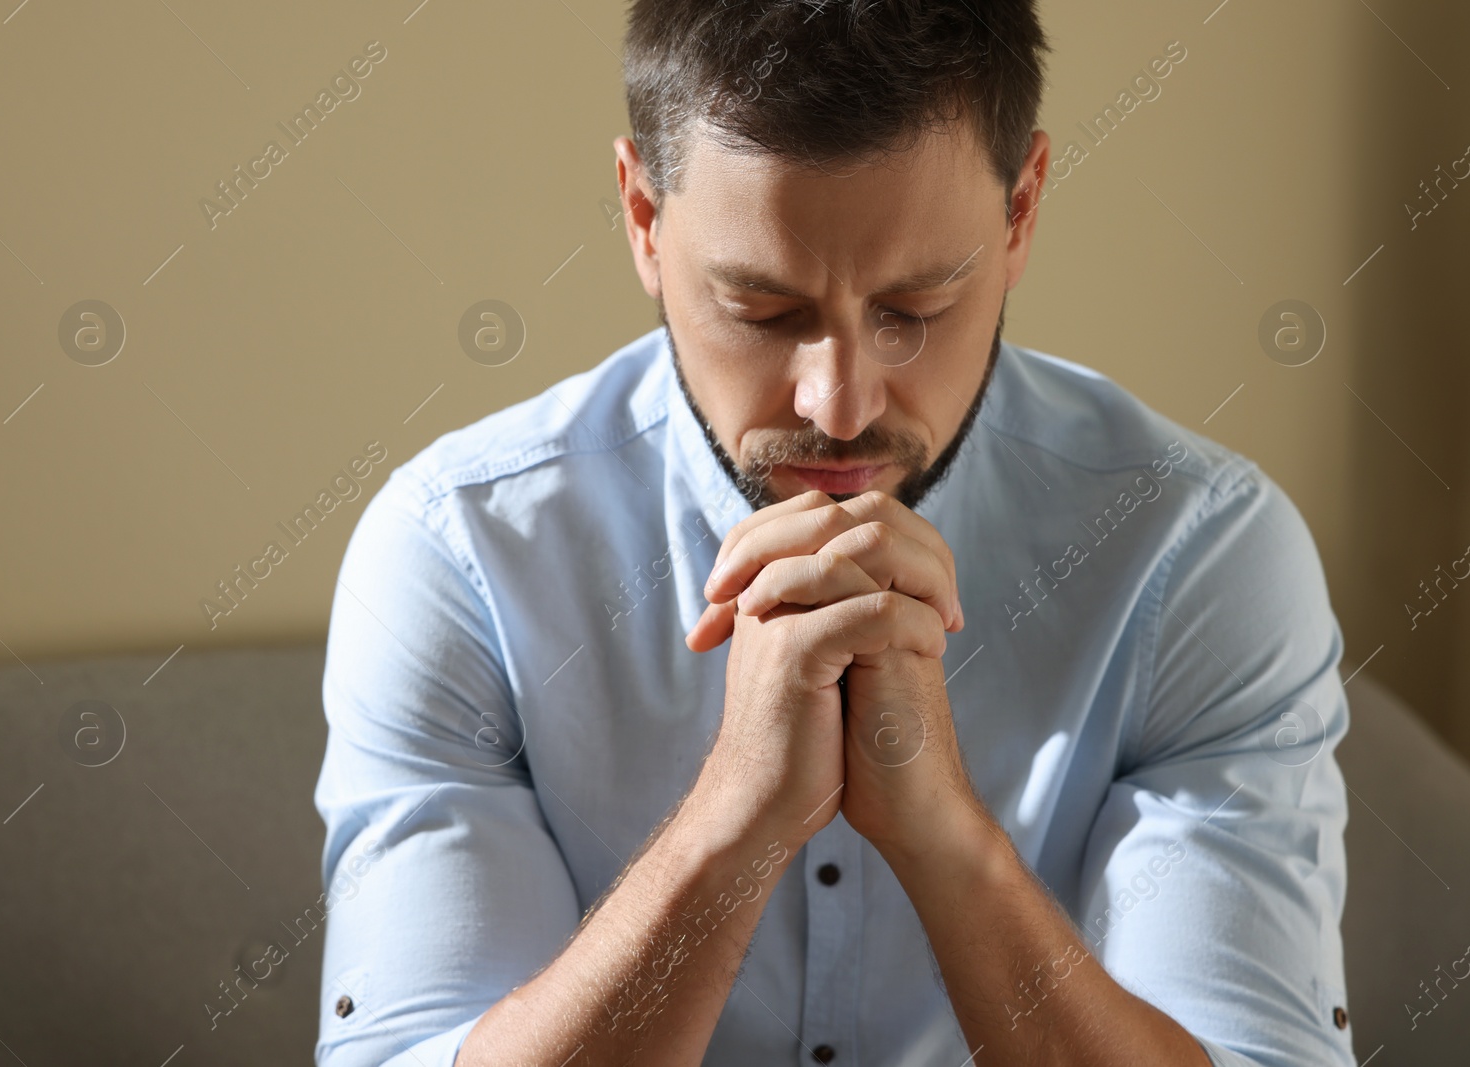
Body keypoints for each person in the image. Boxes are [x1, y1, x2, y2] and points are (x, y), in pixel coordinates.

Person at [313, 2, 1355, 1064]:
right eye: (761, 311)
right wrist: (729, 823)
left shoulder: (1198, 556)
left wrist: (948, 842)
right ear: (640, 214)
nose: (841, 403)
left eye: (917, 303)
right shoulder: (462, 554)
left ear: (1022, 210)